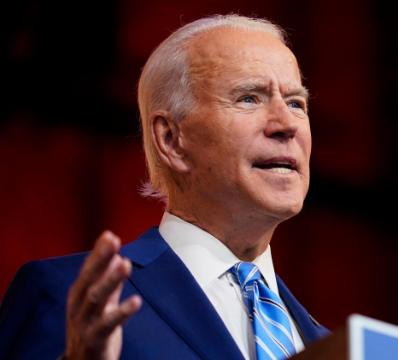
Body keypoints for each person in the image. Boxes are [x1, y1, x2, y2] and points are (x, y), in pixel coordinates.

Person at [0, 14, 329, 359]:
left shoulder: (329, 346)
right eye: (249, 98)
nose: (286, 125)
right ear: (171, 139)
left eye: (296, 103)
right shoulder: (70, 297)